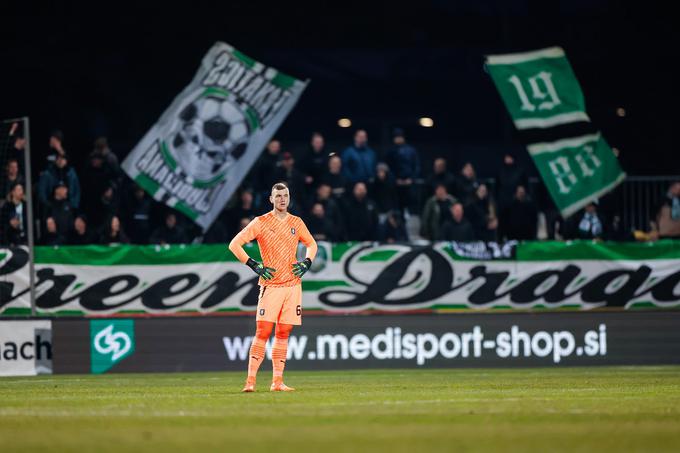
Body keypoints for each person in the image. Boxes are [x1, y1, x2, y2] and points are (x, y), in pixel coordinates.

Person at [228, 182, 317, 392]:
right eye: (278, 196)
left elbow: (312, 244)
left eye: (285, 195)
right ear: (271, 199)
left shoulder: (297, 222)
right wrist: (254, 265)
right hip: (271, 285)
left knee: (284, 332)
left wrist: (307, 262)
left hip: (293, 285)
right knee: (263, 331)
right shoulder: (260, 222)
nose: (282, 199)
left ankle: (277, 382)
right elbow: (234, 244)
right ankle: (250, 382)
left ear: (289, 198)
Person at [386, 128, 420, 214]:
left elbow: (416, 166)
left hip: (409, 185)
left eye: (400, 137)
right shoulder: (391, 152)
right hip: (396, 185)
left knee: (411, 208)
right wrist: (395, 180)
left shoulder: (411, 150)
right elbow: (388, 168)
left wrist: (411, 179)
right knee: (397, 209)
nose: (398, 139)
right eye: (396, 137)